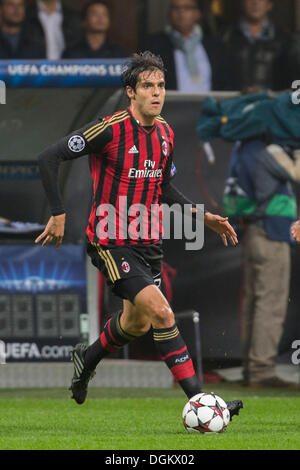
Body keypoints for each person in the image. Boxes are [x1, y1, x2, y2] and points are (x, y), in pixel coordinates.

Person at [35, 51, 243, 419]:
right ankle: (202, 402)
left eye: (161, 85)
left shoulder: (164, 132)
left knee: (138, 322)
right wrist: (57, 213)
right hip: (110, 240)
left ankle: (88, 357)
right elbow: (49, 156)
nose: (156, 92)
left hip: (149, 241)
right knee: (163, 314)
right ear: (131, 92)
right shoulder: (109, 128)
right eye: (148, 85)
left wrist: (200, 216)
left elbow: (162, 186)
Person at [223, 139, 300, 387]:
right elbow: (296, 173)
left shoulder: (243, 147)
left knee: (255, 302)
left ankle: (251, 368)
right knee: (270, 303)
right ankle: (261, 371)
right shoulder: (272, 149)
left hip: (254, 231)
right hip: (271, 233)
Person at [141, 0, 230, 92]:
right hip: (170, 104)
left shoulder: (214, 46)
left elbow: (224, 82)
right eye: (176, 8)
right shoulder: (154, 45)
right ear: (169, 14)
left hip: (209, 104)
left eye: (187, 8)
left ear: (197, 14)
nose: (181, 12)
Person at [221, 0, 292, 92]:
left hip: (271, 103)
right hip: (233, 103)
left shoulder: (284, 39)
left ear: (269, 5)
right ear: (242, 3)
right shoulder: (225, 37)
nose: (255, 2)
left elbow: (289, 80)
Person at [63, 0, 128, 59]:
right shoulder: (71, 53)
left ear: (109, 21)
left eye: (104, 14)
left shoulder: (119, 53)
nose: (100, 18)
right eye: (94, 14)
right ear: (84, 21)